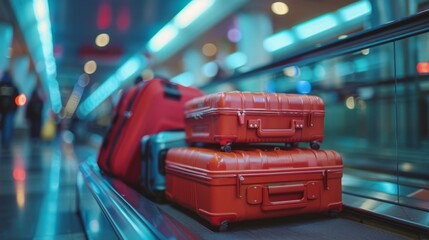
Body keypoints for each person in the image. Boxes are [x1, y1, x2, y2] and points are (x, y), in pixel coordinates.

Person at [0, 71, 19, 147]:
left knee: (3, 125)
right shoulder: (13, 86)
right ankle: (6, 142)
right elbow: (18, 98)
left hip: (2, 110)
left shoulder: (1, 85)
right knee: (8, 125)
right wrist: (15, 109)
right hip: (10, 110)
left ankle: (4, 141)